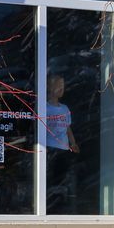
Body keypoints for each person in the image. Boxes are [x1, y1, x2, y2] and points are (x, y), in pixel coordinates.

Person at [44, 75, 79, 213]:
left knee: (62, 176)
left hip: (63, 148)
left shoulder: (65, 108)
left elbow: (68, 127)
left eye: (62, 86)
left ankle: (60, 202)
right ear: (49, 87)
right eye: (57, 85)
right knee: (51, 177)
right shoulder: (44, 106)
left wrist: (73, 143)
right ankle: (49, 203)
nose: (61, 89)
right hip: (50, 147)